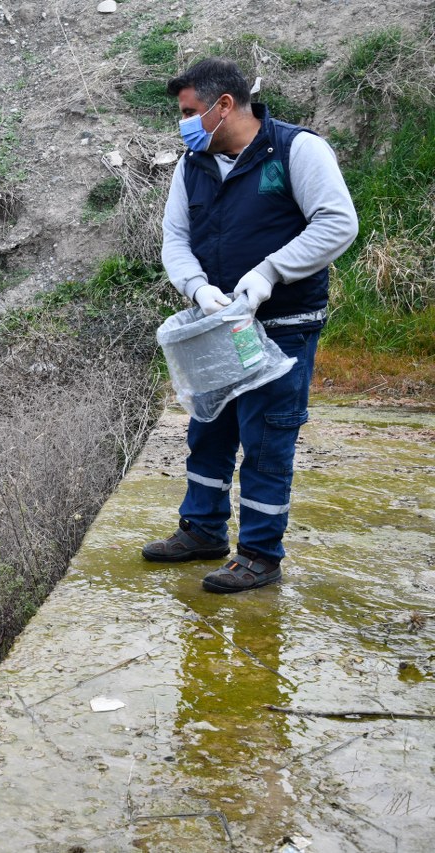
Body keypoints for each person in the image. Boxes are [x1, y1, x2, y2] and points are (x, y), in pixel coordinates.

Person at [142, 58, 359, 593]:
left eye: (190, 112)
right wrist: (197, 288)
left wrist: (269, 273)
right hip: (218, 325)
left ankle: (260, 555)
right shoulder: (192, 164)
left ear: (223, 106)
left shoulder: (295, 151)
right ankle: (202, 531)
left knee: (266, 439)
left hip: (284, 323)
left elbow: (337, 223)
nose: (184, 124)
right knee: (208, 429)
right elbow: (175, 239)